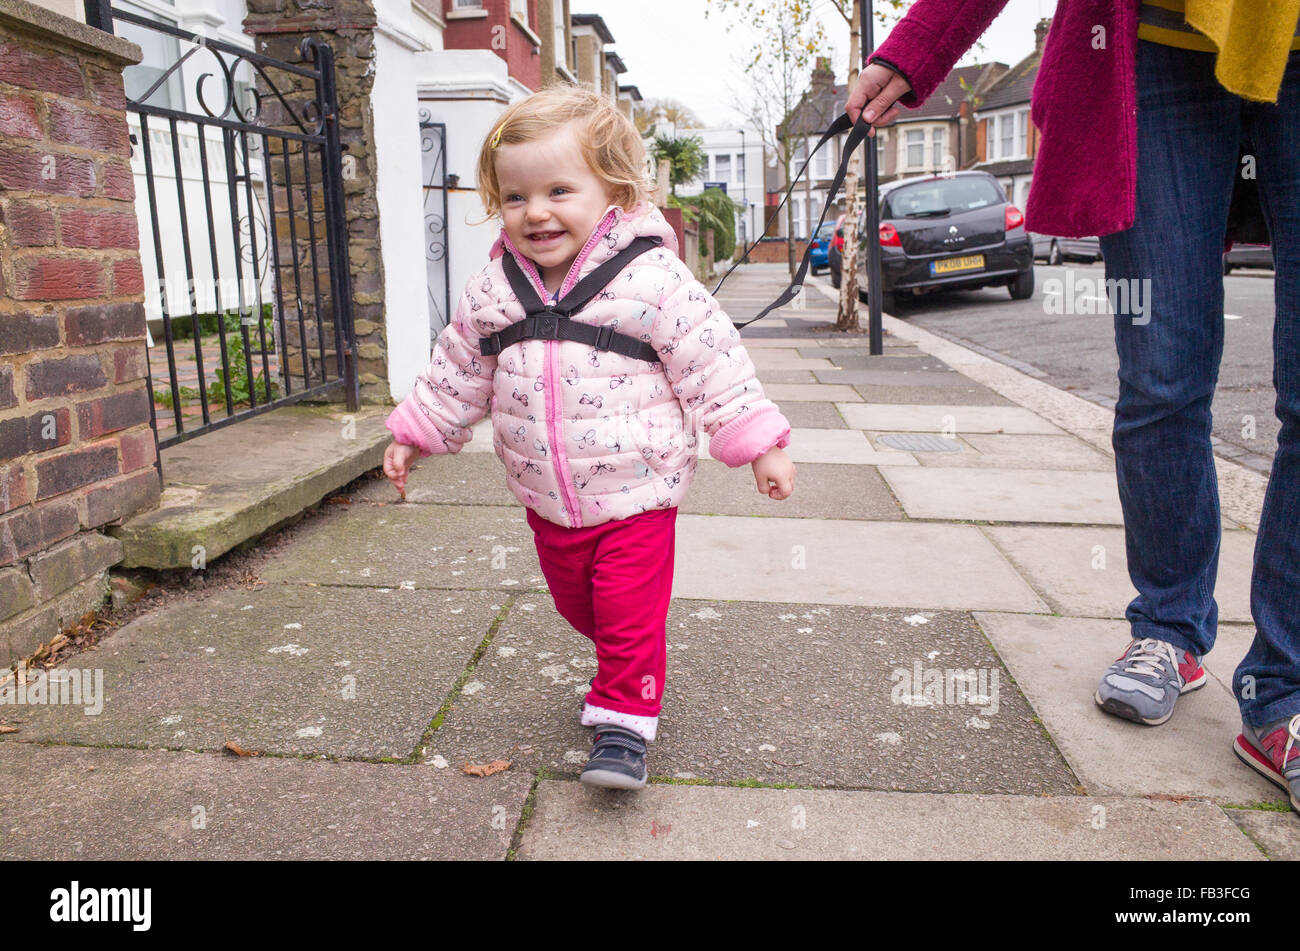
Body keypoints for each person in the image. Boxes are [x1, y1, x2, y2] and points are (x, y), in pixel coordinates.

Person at [848, 1, 1300, 813]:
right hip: (1152, 52)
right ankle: (1167, 629)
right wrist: (918, 48)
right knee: (1162, 377)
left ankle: (1287, 686)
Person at [382, 87, 796, 790]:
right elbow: (457, 370)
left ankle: (623, 729)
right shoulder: (492, 290)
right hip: (548, 498)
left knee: (628, 613)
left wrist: (758, 441)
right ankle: (622, 667)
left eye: (558, 190)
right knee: (584, 607)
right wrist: (417, 433)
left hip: (640, 489)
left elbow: (713, 362)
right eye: (515, 197)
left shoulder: (653, 280)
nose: (535, 211)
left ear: (616, 191)